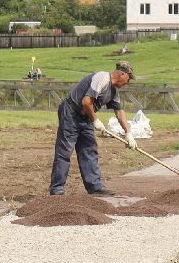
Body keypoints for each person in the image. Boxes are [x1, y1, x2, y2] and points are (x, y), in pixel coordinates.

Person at [50, 61, 134, 196]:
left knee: (89, 149)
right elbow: (86, 101)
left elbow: (119, 112)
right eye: (128, 78)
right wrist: (96, 120)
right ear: (121, 74)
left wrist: (128, 133)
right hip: (71, 112)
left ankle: (95, 187)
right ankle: (57, 188)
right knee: (65, 150)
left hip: (86, 116)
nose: (128, 82)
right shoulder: (102, 78)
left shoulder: (114, 91)